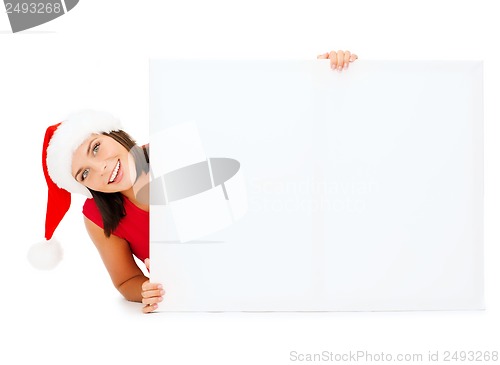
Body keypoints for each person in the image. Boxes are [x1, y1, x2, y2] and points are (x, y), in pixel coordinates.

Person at [31, 50, 358, 314]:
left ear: (111, 133)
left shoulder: (175, 146)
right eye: (84, 174)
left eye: (96, 148)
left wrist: (316, 81)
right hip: (201, 306)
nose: (101, 169)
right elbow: (126, 280)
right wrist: (142, 291)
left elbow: (257, 127)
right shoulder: (98, 216)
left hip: (272, 274)